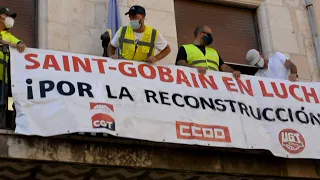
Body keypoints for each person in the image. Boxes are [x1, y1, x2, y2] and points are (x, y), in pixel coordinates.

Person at [175, 25, 241, 79]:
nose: (210, 37)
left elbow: (223, 67)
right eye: (209, 34)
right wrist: (195, 68)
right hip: (196, 82)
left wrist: (233, 71)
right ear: (201, 33)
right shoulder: (185, 48)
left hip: (215, 84)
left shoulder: (214, 51)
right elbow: (180, 64)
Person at [0, 7, 26, 126]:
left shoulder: (7, 35)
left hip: (3, 77)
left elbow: (21, 44)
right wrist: (8, 44)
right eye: (7, 15)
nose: (9, 19)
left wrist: (20, 44)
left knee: (4, 102)